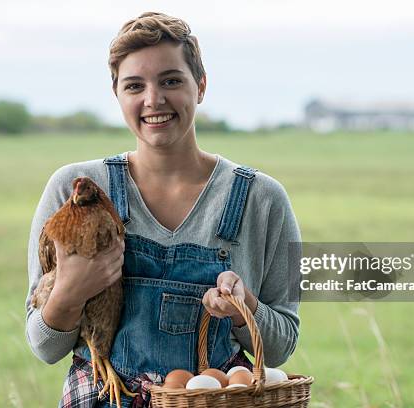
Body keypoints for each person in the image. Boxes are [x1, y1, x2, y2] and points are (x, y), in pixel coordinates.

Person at [25, 11, 301, 407]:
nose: (153, 100)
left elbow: (281, 347)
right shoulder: (75, 190)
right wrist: (71, 289)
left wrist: (245, 309)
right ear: (117, 94)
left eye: (171, 81)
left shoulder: (263, 199)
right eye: (134, 85)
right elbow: (44, 346)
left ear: (201, 86)